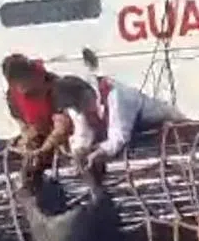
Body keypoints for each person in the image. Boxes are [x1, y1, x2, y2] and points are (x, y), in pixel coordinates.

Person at [51, 69, 186, 172]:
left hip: (163, 131)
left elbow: (119, 136)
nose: (81, 111)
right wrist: (80, 151)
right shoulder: (78, 108)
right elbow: (83, 133)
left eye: (79, 105)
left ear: (86, 92)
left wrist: (100, 152)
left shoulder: (116, 96)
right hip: (137, 143)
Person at [2, 54, 69, 168]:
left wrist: (43, 149)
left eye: (21, 82)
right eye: (14, 84)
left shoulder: (54, 86)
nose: (19, 88)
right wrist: (27, 136)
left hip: (65, 137)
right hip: (39, 135)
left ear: (30, 75)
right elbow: (21, 122)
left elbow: (62, 127)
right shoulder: (12, 94)